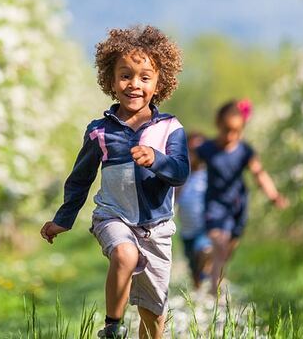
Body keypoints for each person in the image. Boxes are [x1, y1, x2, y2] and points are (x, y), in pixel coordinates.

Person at [40, 25, 188, 339]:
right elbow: (80, 179)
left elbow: (180, 172)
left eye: (145, 77)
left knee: (153, 313)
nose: (134, 84)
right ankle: (112, 327)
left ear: (159, 83)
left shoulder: (170, 128)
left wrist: (156, 158)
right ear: (110, 80)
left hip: (157, 227)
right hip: (113, 216)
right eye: (125, 76)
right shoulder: (100, 131)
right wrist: (63, 220)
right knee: (125, 253)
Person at [196, 99, 289, 297]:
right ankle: (215, 292)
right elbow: (188, 167)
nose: (230, 136)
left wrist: (273, 195)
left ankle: (207, 258)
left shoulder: (245, 151)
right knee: (220, 245)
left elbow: (259, 174)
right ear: (218, 125)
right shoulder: (207, 149)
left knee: (227, 251)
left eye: (236, 131)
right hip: (214, 205)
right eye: (226, 130)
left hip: (237, 206)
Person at [175, 131, 212, 290]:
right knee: (194, 268)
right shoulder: (183, 175)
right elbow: (174, 198)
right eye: (191, 150)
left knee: (205, 251)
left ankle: (210, 279)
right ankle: (199, 291)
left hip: (206, 227)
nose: (196, 154)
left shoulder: (209, 174)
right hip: (187, 230)